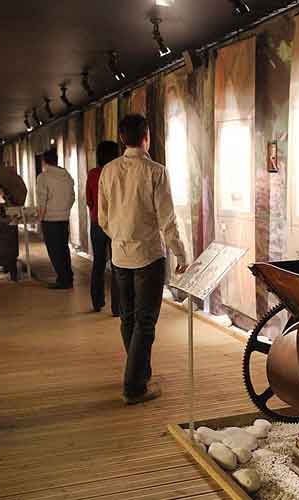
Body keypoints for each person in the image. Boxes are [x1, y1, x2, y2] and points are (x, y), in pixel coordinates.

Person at [98, 114, 188, 405]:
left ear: (123, 138)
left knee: (129, 318)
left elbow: (102, 217)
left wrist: (120, 236)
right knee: (145, 322)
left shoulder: (108, 171)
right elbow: (167, 219)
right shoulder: (156, 171)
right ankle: (134, 386)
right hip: (148, 256)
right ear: (146, 137)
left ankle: (139, 371)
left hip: (120, 256)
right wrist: (180, 252)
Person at [86, 141, 121, 315]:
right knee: (117, 264)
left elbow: (89, 201)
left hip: (97, 223)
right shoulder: (118, 172)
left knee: (98, 263)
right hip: (116, 224)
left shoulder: (93, 174)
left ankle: (97, 302)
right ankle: (117, 307)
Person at [36, 149, 75, 289]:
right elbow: (72, 197)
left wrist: (39, 219)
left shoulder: (43, 177)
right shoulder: (67, 176)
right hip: (64, 218)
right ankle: (68, 277)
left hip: (50, 219)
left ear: (44, 161)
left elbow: (42, 201)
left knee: (54, 251)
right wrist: (65, 211)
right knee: (63, 249)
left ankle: (63, 280)